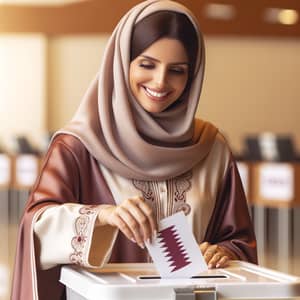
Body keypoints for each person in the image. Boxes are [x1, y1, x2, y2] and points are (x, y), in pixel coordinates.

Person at [11, 0, 257, 299]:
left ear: (192, 76)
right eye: (147, 64)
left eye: (177, 71)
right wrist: (102, 217)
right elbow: (36, 229)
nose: (160, 82)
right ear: (121, 62)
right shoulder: (77, 146)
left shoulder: (211, 148)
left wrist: (222, 252)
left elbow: (239, 240)